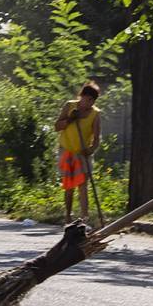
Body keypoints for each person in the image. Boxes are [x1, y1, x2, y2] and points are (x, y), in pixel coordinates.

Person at [54, 83, 101, 224]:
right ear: (81, 96)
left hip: (82, 153)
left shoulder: (95, 114)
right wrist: (70, 119)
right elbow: (57, 127)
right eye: (88, 99)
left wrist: (91, 150)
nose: (90, 103)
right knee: (69, 186)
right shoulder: (70, 106)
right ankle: (68, 216)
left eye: (93, 100)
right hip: (66, 150)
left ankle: (84, 218)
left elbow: (97, 138)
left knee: (82, 185)